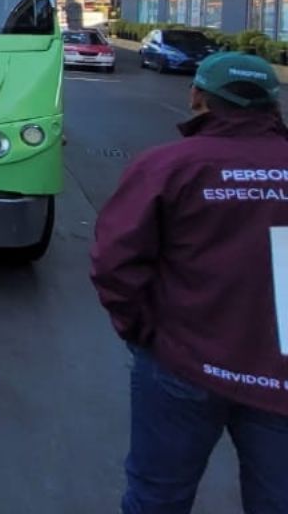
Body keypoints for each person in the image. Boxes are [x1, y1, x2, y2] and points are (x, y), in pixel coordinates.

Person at [90, 52, 288, 514]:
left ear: (198, 95)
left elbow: (114, 262)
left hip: (182, 362)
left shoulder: (169, 165)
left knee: (157, 496)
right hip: (277, 373)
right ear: (272, 105)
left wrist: (143, 333)